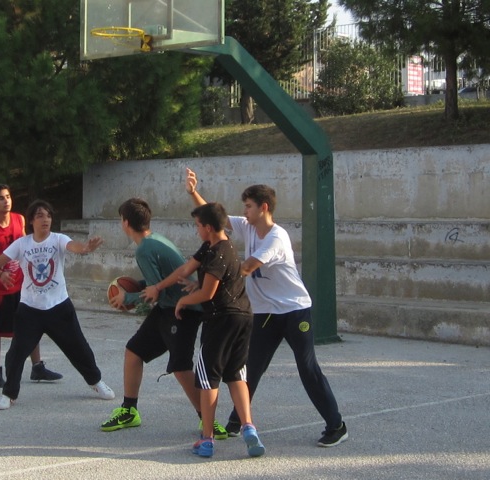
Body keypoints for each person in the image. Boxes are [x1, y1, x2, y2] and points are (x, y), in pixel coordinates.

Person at [184, 167, 348, 448]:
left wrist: (212, 277)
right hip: (265, 313)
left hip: (294, 311)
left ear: (264, 208)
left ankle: (337, 425)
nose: (244, 211)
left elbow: (247, 267)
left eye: (248, 206)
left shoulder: (276, 237)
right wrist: (194, 193)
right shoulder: (248, 226)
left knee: (307, 367)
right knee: (251, 366)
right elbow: (215, 218)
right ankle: (238, 421)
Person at [143, 202, 265, 459]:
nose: (196, 229)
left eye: (198, 225)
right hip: (243, 316)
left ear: (208, 227)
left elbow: (208, 293)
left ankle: (207, 439)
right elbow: (185, 269)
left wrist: (183, 300)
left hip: (221, 319)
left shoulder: (218, 253)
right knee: (236, 374)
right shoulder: (215, 246)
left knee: (208, 379)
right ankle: (248, 427)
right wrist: (160, 286)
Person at [100, 198, 228, 440]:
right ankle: (129, 410)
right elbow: (156, 283)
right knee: (134, 351)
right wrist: (139, 287)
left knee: (181, 367)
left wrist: (128, 297)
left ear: (125, 223)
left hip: (183, 310)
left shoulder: (144, 249)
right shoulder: (155, 239)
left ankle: (209, 420)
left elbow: (154, 293)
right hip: (169, 307)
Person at [0, 199, 115, 409]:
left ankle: (96, 382)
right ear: (31, 221)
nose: (45, 219)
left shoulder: (58, 239)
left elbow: (74, 246)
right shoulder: (22, 244)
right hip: (29, 310)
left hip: (59, 307)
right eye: (40, 216)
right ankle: (9, 394)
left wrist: (85, 248)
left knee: (79, 349)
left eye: (48, 215)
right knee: (15, 354)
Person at [0, 184, 62, 387]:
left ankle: (37, 367)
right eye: (1, 198)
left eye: (8, 196)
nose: (6, 201)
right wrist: (0, 274)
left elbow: (27, 245)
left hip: (22, 284)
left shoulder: (20, 220)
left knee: (30, 324)